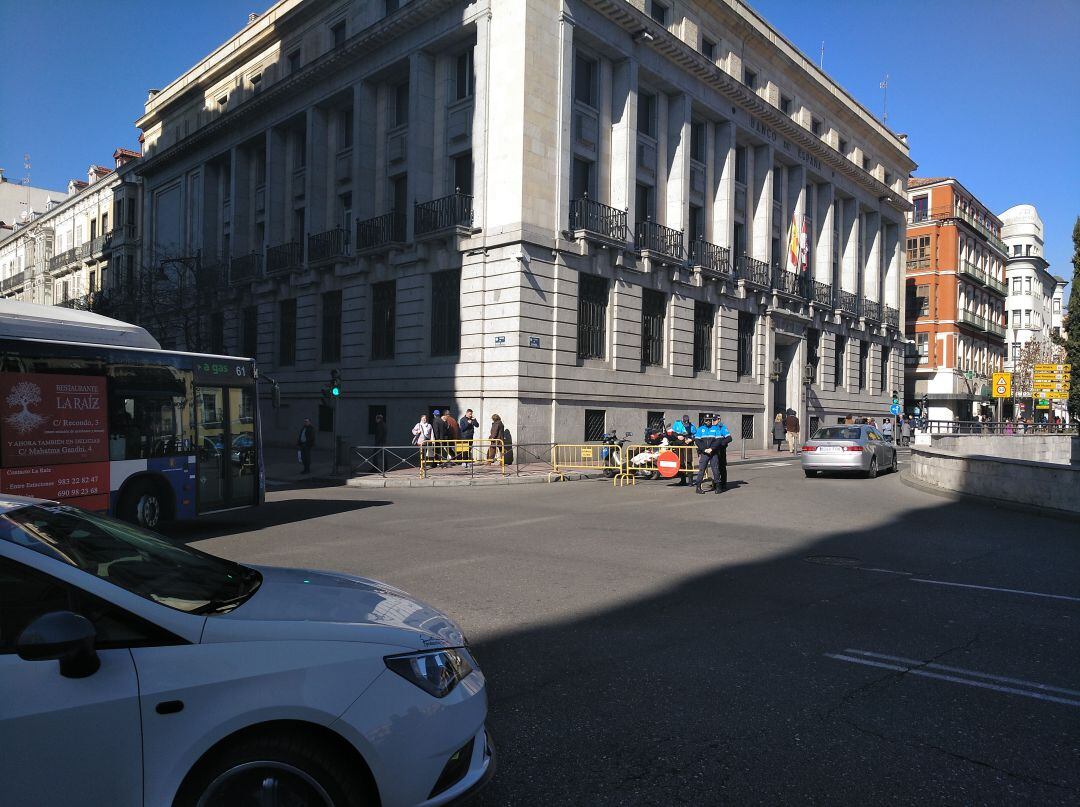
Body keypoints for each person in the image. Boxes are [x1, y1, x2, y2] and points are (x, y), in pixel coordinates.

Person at [694, 414, 731, 494]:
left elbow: (718, 440)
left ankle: (718, 487)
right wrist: (704, 449)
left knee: (716, 469)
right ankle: (698, 487)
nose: (708, 421)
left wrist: (712, 448)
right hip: (704, 453)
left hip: (714, 453)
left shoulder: (716, 429)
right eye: (706, 420)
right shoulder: (700, 429)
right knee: (701, 470)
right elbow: (697, 441)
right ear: (704, 420)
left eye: (709, 420)